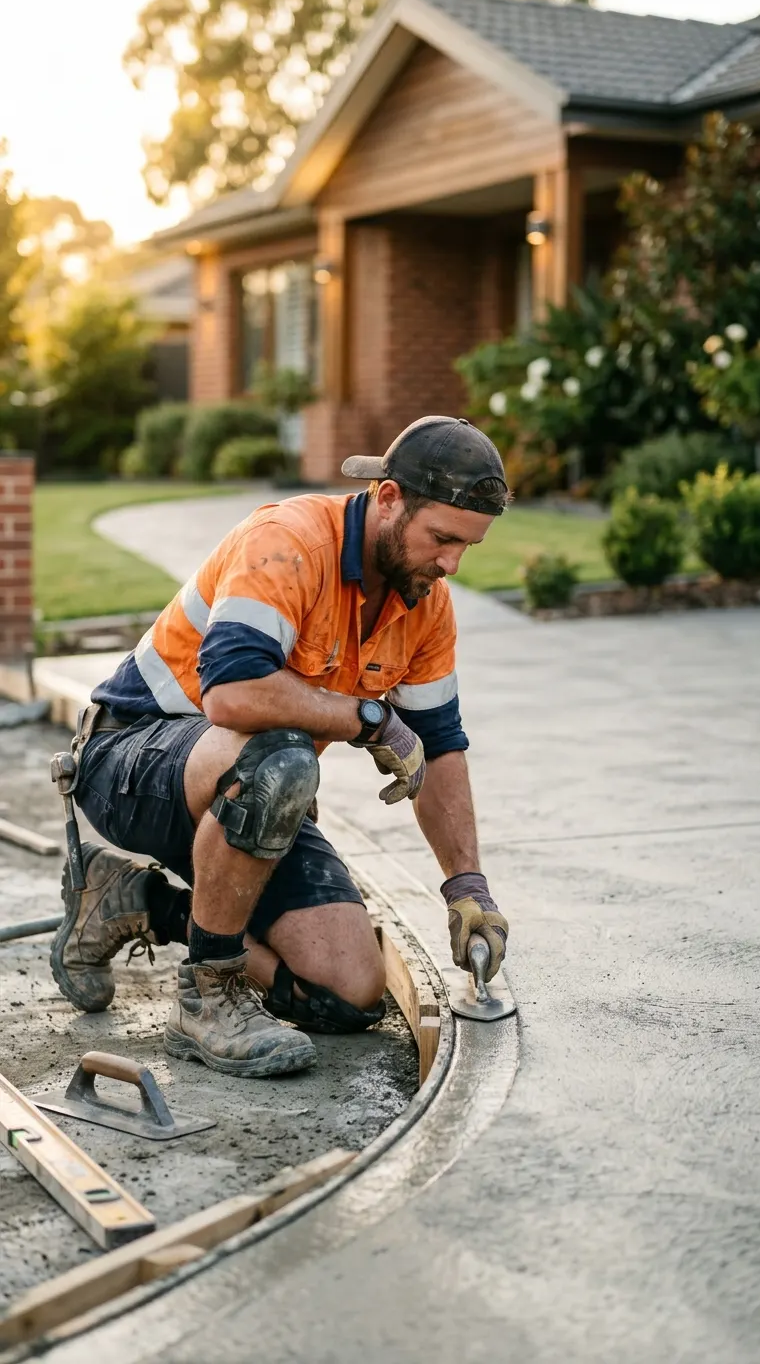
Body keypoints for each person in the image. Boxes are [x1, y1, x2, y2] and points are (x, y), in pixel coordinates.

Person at [50, 415, 511, 1078]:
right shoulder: (288, 542)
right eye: (441, 539)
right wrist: (373, 719)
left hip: (247, 784)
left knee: (345, 995)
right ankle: (208, 998)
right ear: (388, 499)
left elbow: (439, 747)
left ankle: (137, 902)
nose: (450, 565)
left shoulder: (424, 603)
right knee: (278, 760)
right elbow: (232, 696)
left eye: (468, 547)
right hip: (128, 760)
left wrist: (468, 888)